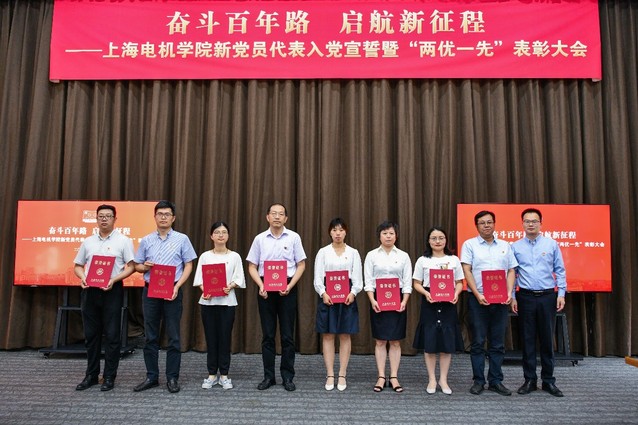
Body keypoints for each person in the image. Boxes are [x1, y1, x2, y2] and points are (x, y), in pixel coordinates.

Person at [133, 200, 197, 394]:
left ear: (173, 218)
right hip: (150, 291)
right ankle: (151, 376)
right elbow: (137, 265)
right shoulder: (146, 240)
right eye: (160, 214)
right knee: (150, 336)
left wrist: (177, 286)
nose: (163, 217)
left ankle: (172, 377)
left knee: (174, 336)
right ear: (154, 217)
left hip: (172, 290)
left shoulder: (182, 239)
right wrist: (145, 267)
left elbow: (189, 264)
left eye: (167, 214)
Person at [73, 204, 135, 392]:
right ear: (96, 219)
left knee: (112, 336)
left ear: (115, 219)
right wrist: (83, 278)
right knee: (91, 336)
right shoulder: (88, 241)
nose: (104, 219)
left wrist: (114, 279)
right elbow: (78, 266)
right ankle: (91, 375)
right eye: (101, 216)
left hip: (112, 291)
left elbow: (131, 267)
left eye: (108, 216)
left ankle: (109, 376)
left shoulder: (123, 241)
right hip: (90, 292)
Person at [246, 203, 307, 392]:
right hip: (266, 288)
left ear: (286, 218)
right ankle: (268, 376)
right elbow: (252, 266)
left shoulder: (294, 237)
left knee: (288, 335)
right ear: (267, 217)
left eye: (281, 214)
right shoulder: (259, 239)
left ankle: (287, 377)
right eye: (274, 213)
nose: (277, 217)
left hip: (287, 287)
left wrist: (290, 285)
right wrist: (261, 285)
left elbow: (301, 264)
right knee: (268, 335)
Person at [461, 210, 517, 396]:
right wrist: (477, 294)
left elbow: (511, 270)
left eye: (489, 222)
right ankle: (478, 381)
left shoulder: (505, 245)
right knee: (478, 342)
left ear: (494, 224)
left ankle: (495, 380)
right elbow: (467, 270)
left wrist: (508, 293)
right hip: (478, 299)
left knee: (497, 343)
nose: (486, 225)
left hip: (500, 300)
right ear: (476, 226)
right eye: (482, 223)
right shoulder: (469, 245)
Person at [511, 208, 566, 397]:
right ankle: (530, 380)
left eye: (534, 221)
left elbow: (560, 270)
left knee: (547, 340)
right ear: (522, 224)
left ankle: (548, 381)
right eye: (527, 221)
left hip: (547, 297)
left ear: (541, 223)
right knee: (527, 340)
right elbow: (513, 273)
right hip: (525, 297)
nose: (531, 224)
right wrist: (513, 296)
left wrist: (561, 293)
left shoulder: (551, 244)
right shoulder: (515, 247)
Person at [193, 221, 246, 390]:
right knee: (211, 338)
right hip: (208, 303)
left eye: (224, 232)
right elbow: (199, 279)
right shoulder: (205, 256)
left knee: (224, 338)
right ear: (211, 236)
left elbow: (239, 278)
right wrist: (205, 290)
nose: (220, 235)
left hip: (227, 303)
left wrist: (230, 286)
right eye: (217, 232)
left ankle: (224, 375)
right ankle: (211, 375)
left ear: (228, 236)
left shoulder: (234, 256)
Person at [412, 226, 464, 395]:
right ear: (428, 241)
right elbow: (416, 283)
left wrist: (456, 294)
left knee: (446, 343)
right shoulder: (422, 260)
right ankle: (432, 379)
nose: (437, 241)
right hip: (430, 302)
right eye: (434, 238)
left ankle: (443, 379)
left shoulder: (453, 260)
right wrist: (426, 293)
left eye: (441, 238)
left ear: (446, 240)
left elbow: (459, 282)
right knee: (430, 342)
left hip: (448, 303)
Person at [313, 218, 363, 392]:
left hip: (347, 297)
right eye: (334, 230)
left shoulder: (353, 252)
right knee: (327, 335)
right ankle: (330, 374)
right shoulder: (323, 252)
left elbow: (357, 279)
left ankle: (342, 373)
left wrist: (353, 293)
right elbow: (318, 278)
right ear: (330, 232)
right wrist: (323, 293)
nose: (338, 233)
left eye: (341, 230)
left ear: (346, 232)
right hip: (328, 297)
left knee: (344, 335)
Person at [364, 220, 412, 393]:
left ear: (396, 236)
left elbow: (407, 282)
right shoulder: (371, 255)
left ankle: (394, 376)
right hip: (378, 299)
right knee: (380, 340)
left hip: (398, 299)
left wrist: (404, 301)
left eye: (391, 233)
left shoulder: (404, 256)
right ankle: (381, 376)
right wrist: (372, 300)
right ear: (379, 236)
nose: (388, 236)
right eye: (385, 233)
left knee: (395, 341)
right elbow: (368, 281)